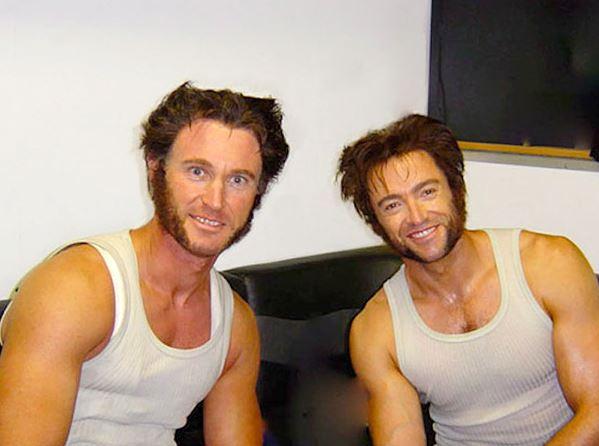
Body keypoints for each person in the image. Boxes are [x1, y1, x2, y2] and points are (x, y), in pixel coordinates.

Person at [0, 82, 290, 446]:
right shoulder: (76, 289)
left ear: (258, 191)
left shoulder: (235, 326)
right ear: (156, 168)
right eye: (197, 172)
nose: (215, 201)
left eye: (237, 180)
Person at [337, 114, 599, 445]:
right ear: (376, 222)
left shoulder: (549, 263)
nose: (416, 216)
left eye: (427, 191)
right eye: (392, 205)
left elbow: (595, 411)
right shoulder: (376, 331)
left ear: (456, 190)